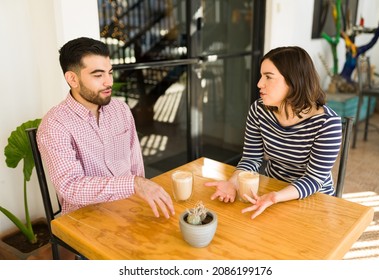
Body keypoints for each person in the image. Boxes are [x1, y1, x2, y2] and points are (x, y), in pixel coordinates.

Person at [37, 37, 175, 219]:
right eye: (98, 75)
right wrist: (133, 184)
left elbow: (136, 166)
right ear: (72, 78)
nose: (108, 81)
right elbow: (70, 187)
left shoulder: (120, 109)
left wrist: (138, 190)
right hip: (87, 218)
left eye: (109, 72)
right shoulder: (55, 125)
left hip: (131, 206)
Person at [205, 46, 342, 219]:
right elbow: (251, 158)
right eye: (262, 76)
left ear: (294, 81)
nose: (259, 84)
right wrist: (233, 183)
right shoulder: (259, 110)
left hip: (314, 199)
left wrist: (275, 197)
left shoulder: (328, 124)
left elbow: (314, 179)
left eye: (268, 77)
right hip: (272, 187)